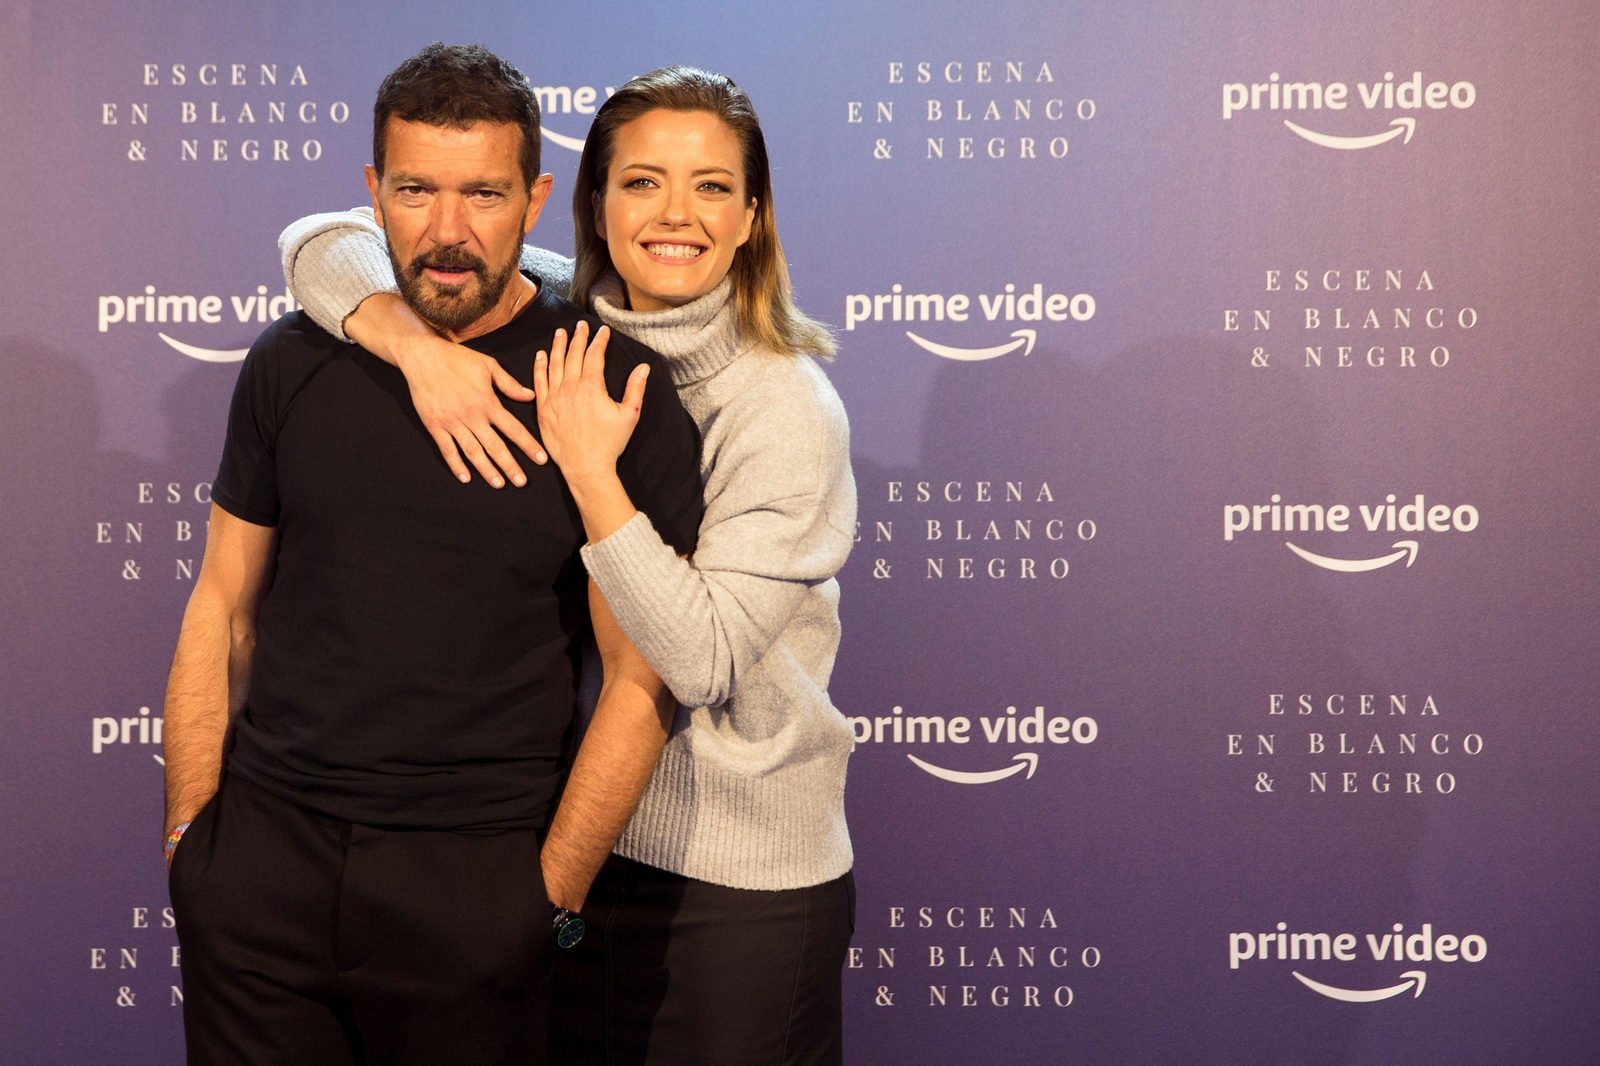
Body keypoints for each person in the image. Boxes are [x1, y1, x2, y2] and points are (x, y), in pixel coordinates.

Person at [279, 66, 859, 1065]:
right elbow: (319, 243)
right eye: (642, 182)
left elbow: (701, 659)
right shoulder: (565, 306)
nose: (676, 214)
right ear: (595, 203)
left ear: (752, 215)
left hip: (732, 883)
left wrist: (595, 472)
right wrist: (410, 344)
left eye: (712, 187)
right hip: (580, 846)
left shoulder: (785, 406)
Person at [162, 44, 704, 1066]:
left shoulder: (608, 389)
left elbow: (640, 680)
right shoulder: (296, 359)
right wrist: (193, 838)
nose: (447, 233)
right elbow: (222, 603)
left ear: (536, 198)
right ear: (373, 192)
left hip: (474, 887)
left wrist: (548, 898)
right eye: (414, 190)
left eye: (484, 194)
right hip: (259, 875)